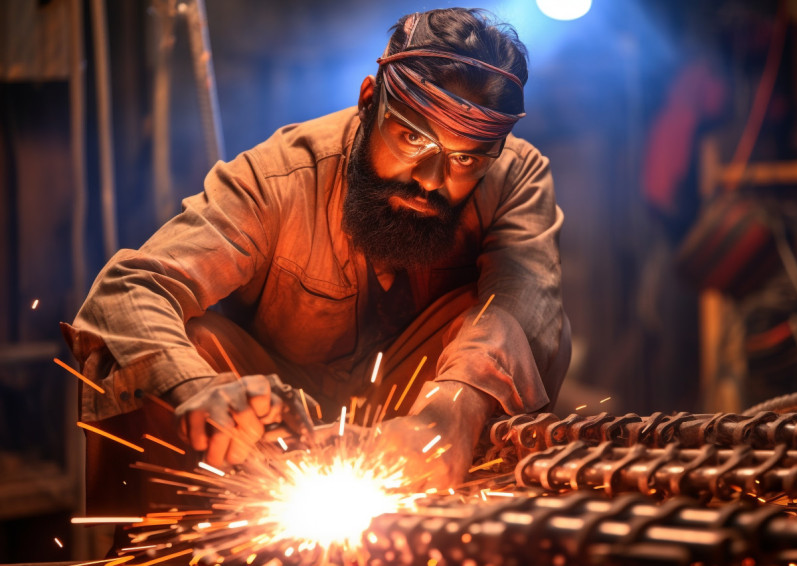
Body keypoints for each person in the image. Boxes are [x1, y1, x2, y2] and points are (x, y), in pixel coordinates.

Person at [61, 7, 570, 520]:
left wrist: (450, 417)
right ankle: (159, 539)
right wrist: (198, 387)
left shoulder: (516, 179)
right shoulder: (278, 179)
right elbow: (126, 291)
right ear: (370, 100)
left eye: (466, 160)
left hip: (418, 431)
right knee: (174, 347)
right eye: (413, 138)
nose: (432, 179)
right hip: (269, 433)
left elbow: (529, 310)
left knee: (493, 324)